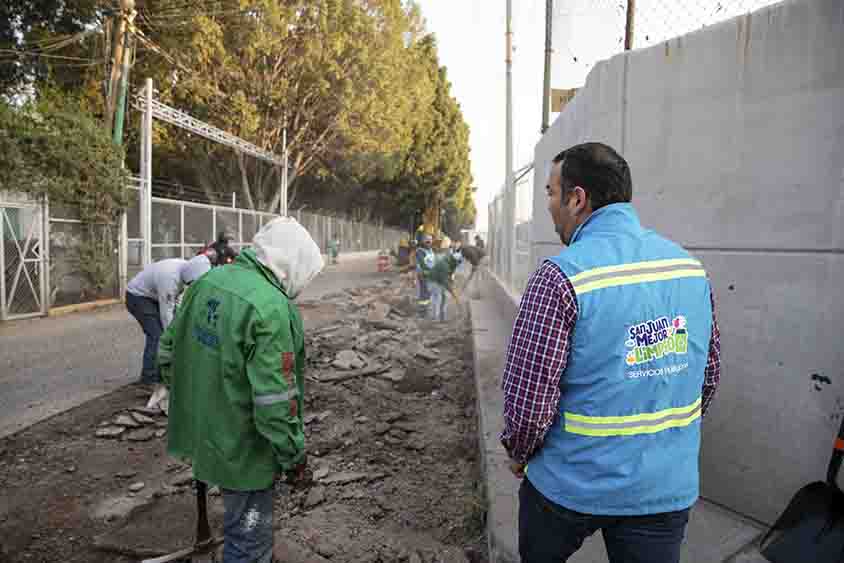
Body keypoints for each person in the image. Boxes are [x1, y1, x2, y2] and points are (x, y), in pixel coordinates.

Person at [501, 142, 721, 563]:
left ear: (577, 198)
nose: (548, 206)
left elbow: (529, 406)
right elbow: (706, 379)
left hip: (568, 487)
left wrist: (519, 451)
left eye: (550, 192)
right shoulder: (689, 270)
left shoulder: (561, 277)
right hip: (662, 489)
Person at [158, 217, 323, 563]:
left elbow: (168, 353)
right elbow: (276, 402)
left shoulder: (208, 281)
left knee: (239, 525)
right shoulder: (272, 309)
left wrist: (199, 404)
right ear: (291, 264)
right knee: (249, 537)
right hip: (245, 454)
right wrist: (294, 457)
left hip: (205, 435)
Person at [125, 254, 212, 386]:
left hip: (153, 296)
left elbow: (177, 304)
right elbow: (166, 315)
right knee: (158, 336)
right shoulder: (169, 279)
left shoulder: (187, 270)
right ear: (191, 279)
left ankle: (161, 373)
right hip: (137, 297)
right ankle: (148, 380)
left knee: (172, 330)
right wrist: (173, 339)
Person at [426, 238, 462, 322]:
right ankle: (435, 318)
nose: (457, 265)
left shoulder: (450, 262)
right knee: (437, 298)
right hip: (433, 281)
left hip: (438, 281)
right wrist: (453, 292)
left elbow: (448, 276)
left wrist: (451, 284)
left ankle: (441, 317)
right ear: (454, 260)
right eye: (457, 263)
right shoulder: (444, 265)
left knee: (443, 297)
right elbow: (445, 281)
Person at [415, 233, 435, 317]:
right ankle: (422, 312)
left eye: (430, 239)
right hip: (423, 275)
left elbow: (433, 262)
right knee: (424, 293)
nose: (429, 241)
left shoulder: (430, 250)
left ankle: (426, 310)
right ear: (423, 241)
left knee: (428, 292)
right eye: (427, 239)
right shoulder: (420, 251)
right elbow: (422, 264)